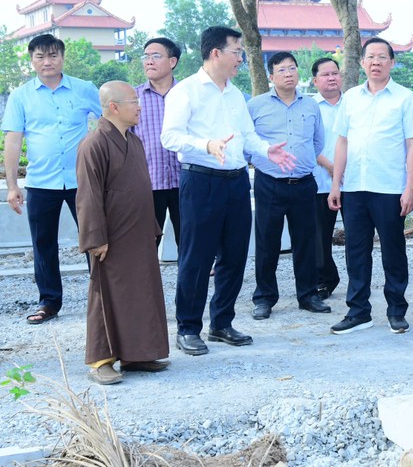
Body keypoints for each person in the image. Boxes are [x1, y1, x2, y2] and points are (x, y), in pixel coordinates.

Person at [161, 26, 296, 356]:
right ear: (216, 53)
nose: (242, 58)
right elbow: (170, 137)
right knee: (197, 257)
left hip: (236, 182)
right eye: (237, 52)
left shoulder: (236, 94)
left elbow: (247, 137)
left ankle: (221, 322)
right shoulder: (186, 91)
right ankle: (189, 328)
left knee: (235, 256)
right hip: (201, 181)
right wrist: (205, 144)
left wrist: (267, 151)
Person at [328, 37, 413, 334]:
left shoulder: (405, 98)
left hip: (389, 188)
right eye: (370, 57)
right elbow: (342, 142)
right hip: (354, 187)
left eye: (382, 57)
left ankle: (397, 309)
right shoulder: (351, 98)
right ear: (362, 62)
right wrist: (336, 185)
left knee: (393, 250)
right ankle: (358, 311)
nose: (376, 62)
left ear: (392, 62)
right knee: (355, 251)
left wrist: (409, 188)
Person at [2, 34, 100, 324]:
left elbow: (111, 119)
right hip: (41, 182)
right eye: (40, 57)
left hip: (83, 180)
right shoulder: (21, 95)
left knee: (94, 238)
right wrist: (11, 186)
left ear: (62, 58)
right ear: (31, 60)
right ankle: (49, 302)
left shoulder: (84, 89)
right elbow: (13, 140)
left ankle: (105, 296)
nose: (47, 62)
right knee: (43, 243)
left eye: (53, 55)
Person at [76, 81, 169, 385]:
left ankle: (136, 353)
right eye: (133, 102)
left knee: (140, 292)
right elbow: (88, 195)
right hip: (111, 235)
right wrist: (95, 237)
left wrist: (151, 227)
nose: (139, 106)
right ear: (114, 106)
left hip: (138, 231)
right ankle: (101, 359)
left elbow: (140, 186)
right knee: (105, 294)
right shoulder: (95, 143)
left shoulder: (134, 140)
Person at [247, 52, 327, 320]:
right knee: (267, 242)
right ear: (271, 77)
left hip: (304, 183)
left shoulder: (311, 105)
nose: (289, 73)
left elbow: (318, 143)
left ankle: (308, 295)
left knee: (306, 241)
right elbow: (248, 143)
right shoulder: (256, 105)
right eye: (282, 70)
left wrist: (300, 163)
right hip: (269, 183)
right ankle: (264, 297)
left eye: (293, 68)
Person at [133, 37, 183, 250]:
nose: (149, 61)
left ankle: (189, 284)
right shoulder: (133, 97)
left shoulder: (187, 95)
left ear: (172, 62)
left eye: (156, 56)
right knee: (146, 246)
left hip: (185, 182)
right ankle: (145, 285)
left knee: (190, 242)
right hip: (148, 184)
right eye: (146, 56)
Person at [311, 57, 343, 301]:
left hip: (352, 181)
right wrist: (330, 166)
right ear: (315, 80)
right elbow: (305, 142)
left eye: (335, 73)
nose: (331, 78)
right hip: (321, 181)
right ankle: (325, 279)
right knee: (319, 236)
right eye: (325, 74)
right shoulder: (309, 107)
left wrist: (341, 170)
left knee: (358, 235)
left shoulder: (353, 103)